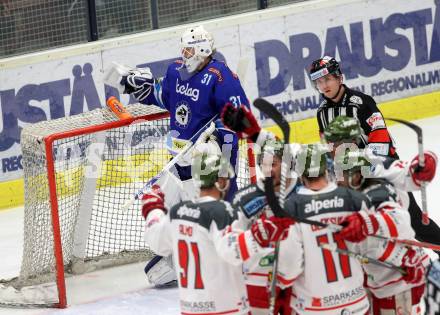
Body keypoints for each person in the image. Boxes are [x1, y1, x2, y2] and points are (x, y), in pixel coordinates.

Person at [108, 24, 251, 287]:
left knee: (214, 219)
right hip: (177, 161)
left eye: (188, 49)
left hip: (206, 163)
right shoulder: (176, 70)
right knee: (159, 262)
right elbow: (165, 97)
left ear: (203, 50)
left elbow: (239, 119)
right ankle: (185, 253)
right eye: (183, 49)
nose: (183, 54)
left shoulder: (221, 77)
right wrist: (142, 86)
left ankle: (226, 257)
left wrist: (213, 143)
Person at [142, 142, 293, 315]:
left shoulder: (177, 212)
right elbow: (232, 251)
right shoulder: (223, 211)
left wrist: (152, 208)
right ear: (221, 181)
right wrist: (259, 234)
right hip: (226, 309)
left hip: (189, 309)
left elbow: (155, 240)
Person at [276, 144, 426, 315]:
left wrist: (280, 280)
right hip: (357, 302)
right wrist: (404, 257)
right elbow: (370, 244)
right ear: (326, 169)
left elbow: (288, 267)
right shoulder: (353, 199)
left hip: (314, 307)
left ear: (300, 174)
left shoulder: (291, 207)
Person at [323, 115, 440, 255]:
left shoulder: (369, 160)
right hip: (360, 227)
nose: (331, 148)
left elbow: (405, 172)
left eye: (336, 142)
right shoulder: (326, 164)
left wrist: (424, 164)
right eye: (329, 142)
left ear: (353, 142)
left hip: (391, 216)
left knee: (420, 228)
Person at [222, 102, 298, 314]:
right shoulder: (246, 199)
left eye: (273, 164)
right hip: (259, 281)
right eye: (262, 165)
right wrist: (254, 239)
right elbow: (229, 244)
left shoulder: (300, 187)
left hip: (299, 278)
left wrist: (257, 134)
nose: (267, 170)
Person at [334, 150, 429, 315]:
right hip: (382, 282)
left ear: (356, 176)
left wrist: (368, 223)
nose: (337, 180)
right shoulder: (357, 193)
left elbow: (402, 222)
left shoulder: (377, 194)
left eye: (341, 174)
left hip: (399, 285)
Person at [310, 56, 396, 158]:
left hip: (381, 165)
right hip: (351, 171)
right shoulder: (322, 112)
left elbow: (381, 142)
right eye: (319, 82)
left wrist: (361, 164)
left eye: (327, 79)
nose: (324, 86)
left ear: (339, 78)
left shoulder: (362, 103)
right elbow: (329, 147)